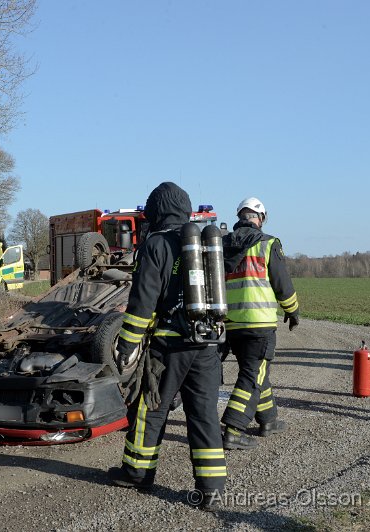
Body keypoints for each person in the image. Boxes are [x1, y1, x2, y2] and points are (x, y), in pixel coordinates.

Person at [107, 182, 226, 512]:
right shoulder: (202, 243)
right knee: (203, 416)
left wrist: (128, 346)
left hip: (170, 347)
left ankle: (137, 472)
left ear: (156, 212)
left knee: (150, 408)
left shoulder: (155, 244)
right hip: (207, 344)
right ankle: (211, 490)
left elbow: (143, 301)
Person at [220, 197, 299, 450]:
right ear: (260, 218)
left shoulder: (221, 245)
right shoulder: (268, 243)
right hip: (260, 323)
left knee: (255, 371)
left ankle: (268, 420)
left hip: (231, 324)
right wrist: (292, 310)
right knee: (252, 376)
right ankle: (233, 429)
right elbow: (282, 283)